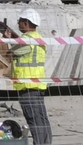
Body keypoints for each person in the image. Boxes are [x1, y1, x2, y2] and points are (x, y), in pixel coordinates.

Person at [10, 9, 51, 145]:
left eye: (20, 21)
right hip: (38, 84)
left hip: (27, 85)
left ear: (26, 23)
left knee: (33, 118)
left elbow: (12, 52)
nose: (18, 24)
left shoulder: (26, 39)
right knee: (41, 118)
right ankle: (46, 143)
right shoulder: (39, 38)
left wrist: (8, 39)